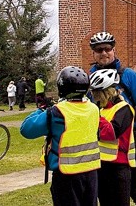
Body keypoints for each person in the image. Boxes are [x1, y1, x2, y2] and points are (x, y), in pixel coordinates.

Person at [88, 31, 136, 206]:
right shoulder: (88, 79)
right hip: (100, 146)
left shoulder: (129, 76)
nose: (104, 53)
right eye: (99, 49)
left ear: (114, 49)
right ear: (93, 53)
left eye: (107, 48)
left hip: (128, 144)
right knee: (104, 195)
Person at [20, 66, 100, 206]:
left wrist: (41, 110)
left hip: (66, 175)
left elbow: (26, 129)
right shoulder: (94, 109)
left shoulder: (57, 112)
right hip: (91, 173)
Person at [89, 68, 136, 206]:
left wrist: (96, 116)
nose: (95, 98)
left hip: (118, 167)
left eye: (97, 94)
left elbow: (111, 133)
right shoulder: (103, 110)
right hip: (101, 166)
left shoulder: (124, 109)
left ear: (107, 93)